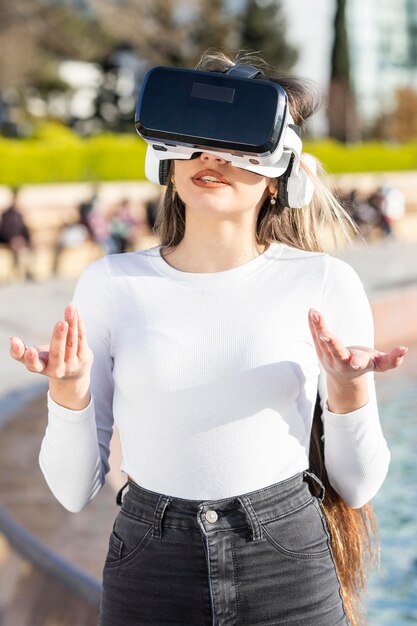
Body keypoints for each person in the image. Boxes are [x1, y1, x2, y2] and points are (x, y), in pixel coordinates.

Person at [9, 51, 408, 626]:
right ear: (165, 159)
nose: (211, 157)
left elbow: (359, 484)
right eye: (194, 138)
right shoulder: (111, 284)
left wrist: (348, 393)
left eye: (240, 140)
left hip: (289, 566)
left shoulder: (324, 282)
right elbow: (73, 492)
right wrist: (68, 395)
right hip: (151, 565)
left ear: (279, 177)